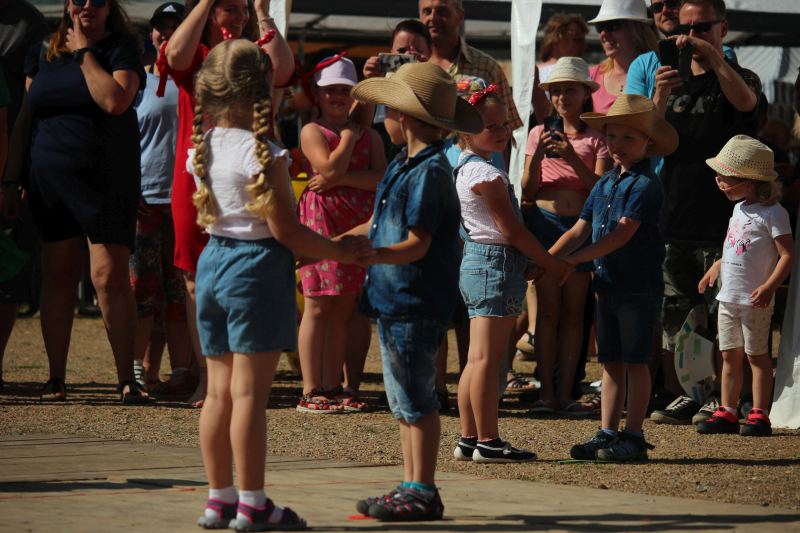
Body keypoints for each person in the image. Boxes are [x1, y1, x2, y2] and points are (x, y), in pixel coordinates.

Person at [188, 39, 371, 531]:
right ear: (263, 88)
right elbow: (287, 232)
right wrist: (339, 249)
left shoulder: (204, 146)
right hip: (256, 266)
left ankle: (219, 499)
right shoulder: (264, 153)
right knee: (249, 395)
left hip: (214, 262)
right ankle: (253, 503)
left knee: (219, 392)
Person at [346, 62, 482, 521]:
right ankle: (411, 485)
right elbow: (378, 223)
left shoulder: (428, 173)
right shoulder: (404, 164)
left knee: (416, 400)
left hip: (414, 300)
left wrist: (373, 254)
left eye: (388, 107)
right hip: (395, 298)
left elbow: (417, 243)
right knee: (402, 400)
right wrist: (338, 243)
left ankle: (422, 488)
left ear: (403, 116)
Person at [3, 0, 153, 403]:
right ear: (68, 4)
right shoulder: (45, 49)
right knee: (58, 276)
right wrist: (11, 179)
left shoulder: (121, 47)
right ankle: (55, 377)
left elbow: (115, 101)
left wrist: (85, 53)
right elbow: (26, 118)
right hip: (49, 183)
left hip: (106, 181)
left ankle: (126, 379)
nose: (87, 5)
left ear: (108, 6)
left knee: (108, 278)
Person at [164, 0, 294, 407]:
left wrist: (262, 12)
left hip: (248, 169)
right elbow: (174, 55)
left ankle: (239, 375)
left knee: (250, 263)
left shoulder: (252, 54)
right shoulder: (202, 55)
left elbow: (284, 71)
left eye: (242, 10)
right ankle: (209, 377)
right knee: (194, 276)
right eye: (230, 9)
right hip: (200, 174)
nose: (238, 18)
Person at [649, 0, 762, 426]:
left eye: (702, 28)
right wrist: (660, 95)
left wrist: (714, 58)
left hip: (727, 222)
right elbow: (650, 139)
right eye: (683, 28)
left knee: (726, 317)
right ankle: (688, 394)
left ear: (723, 28)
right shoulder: (672, 80)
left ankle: (726, 398)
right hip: (676, 216)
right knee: (678, 318)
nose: (690, 37)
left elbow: (747, 105)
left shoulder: (740, 77)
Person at [552, 95, 678, 461]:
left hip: (637, 286)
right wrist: (547, 259)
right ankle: (608, 432)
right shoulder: (605, 182)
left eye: (628, 138)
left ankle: (633, 436)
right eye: (612, 136)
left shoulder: (646, 185)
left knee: (636, 362)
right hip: (607, 285)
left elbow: (621, 235)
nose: (617, 144)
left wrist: (571, 261)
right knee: (610, 361)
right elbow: (580, 228)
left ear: (648, 142)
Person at [452, 83, 568, 464]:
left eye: (504, 124)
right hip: (494, 264)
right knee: (488, 361)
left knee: (476, 359)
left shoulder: (464, 166)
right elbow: (512, 231)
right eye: (492, 126)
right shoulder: (487, 174)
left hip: (477, 261)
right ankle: (488, 440)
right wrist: (550, 263)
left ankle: (470, 437)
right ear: (467, 131)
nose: (502, 132)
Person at [521, 57, 613, 415]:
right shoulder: (537, 133)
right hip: (544, 225)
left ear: (585, 93)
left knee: (575, 316)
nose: (562, 97)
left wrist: (573, 158)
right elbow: (529, 189)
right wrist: (537, 158)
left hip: (581, 229)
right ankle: (547, 392)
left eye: (569, 90)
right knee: (547, 314)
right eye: (556, 91)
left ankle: (565, 393)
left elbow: (600, 189)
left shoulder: (597, 138)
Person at [296, 56, 386, 413]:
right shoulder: (312, 131)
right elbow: (328, 168)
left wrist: (342, 177)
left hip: (354, 223)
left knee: (344, 307)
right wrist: (348, 137)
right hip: (321, 222)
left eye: (344, 91)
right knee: (318, 304)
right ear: (318, 94)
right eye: (330, 90)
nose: (336, 97)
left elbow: (379, 178)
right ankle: (310, 388)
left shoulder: (372, 136)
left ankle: (332, 385)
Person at [696, 136, 793, 437]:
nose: (719, 182)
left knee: (757, 357)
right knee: (729, 355)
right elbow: (735, 247)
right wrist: (716, 266)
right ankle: (728, 409)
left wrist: (770, 286)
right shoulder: (738, 209)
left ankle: (760, 413)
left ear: (749, 182)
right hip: (729, 297)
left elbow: (787, 254)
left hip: (755, 299)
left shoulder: (774, 213)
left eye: (725, 177)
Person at [130, 1, 193, 393]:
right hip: (145, 201)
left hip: (184, 201)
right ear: (151, 33)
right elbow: (123, 142)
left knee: (179, 291)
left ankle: (182, 371)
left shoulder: (192, 79)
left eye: (175, 26)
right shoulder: (136, 80)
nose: (167, 33)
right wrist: (128, 188)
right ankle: (136, 370)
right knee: (141, 289)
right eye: (161, 27)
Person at [0, 0, 48, 394]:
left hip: (10, 166)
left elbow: (22, 113)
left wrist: (12, 176)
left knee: (8, 273)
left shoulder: (28, 22)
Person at [419, 0, 522, 131]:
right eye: (427, 11)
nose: (433, 17)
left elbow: (508, 126)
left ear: (460, 16)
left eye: (442, 11)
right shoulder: (411, 66)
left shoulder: (487, 67)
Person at [626, 0, 738, 99]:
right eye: (657, 7)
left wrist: (710, 53)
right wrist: (660, 94)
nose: (665, 11)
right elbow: (638, 115)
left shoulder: (721, 53)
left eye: (672, 3)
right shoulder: (641, 64)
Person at [587, 0, 658, 113]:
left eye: (612, 25)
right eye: (600, 27)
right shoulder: (591, 76)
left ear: (636, 29)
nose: (603, 34)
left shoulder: (657, 71)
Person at [532, 13, 589, 123]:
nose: (583, 45)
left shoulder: (583, 72)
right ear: (556, 38)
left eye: (582, 40)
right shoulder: (534, 71)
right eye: (575, 39)